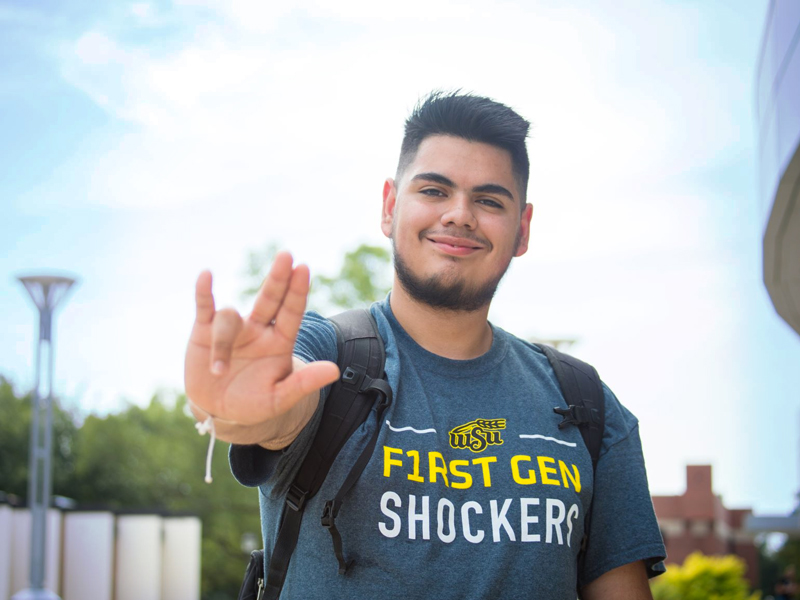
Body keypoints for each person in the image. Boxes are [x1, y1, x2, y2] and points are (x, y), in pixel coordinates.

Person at [184, 92, 666, 599]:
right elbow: (279, 405)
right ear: (390, 208)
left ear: (522, 229)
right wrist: (238, 409)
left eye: (488, 200)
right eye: (434, 191)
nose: (459, 215)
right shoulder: (328, 354)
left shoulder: (589, 406)